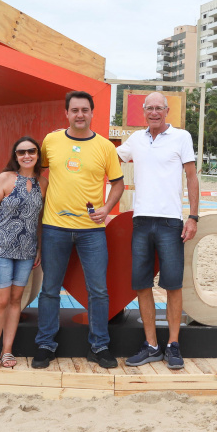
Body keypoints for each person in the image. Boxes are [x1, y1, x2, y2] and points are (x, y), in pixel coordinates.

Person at [32, 91, 124, 370]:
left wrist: (107, 209)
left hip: (91, 231)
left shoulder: (106, 147)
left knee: (98, 290)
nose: (80, 114)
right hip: (54, 227)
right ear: (66, 113)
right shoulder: (51, 140)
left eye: (85, 110)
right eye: (75, 110)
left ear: (92, 113)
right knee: (49, 289)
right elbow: (38, 172)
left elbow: (118, 184)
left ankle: (99, 346)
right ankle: (45, 344)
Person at [117, 92, 199, 370]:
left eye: (159, 108)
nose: (154, 112)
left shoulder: (181, 137)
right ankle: (152, 345)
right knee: (142, 285)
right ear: (144, 111)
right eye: (149, 108)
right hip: (141, 221)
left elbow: (191, 177)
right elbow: (107, 157)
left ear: (167, 111)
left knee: (173, 285)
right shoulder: (136, 140)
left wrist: (194, 217)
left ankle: (173, 344)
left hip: (170, 222)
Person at [0, 137, 47, 370]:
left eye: (31, 151)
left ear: (38, 154)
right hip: (0, 246)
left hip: (27, 249)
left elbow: (39, 219)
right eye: (21, 152)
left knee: (16, 300)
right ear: (15, 156)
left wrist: (38, 247)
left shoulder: (43, 183)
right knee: (0, 300)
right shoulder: (5, 178)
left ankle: (7, 351)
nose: (26, 155)